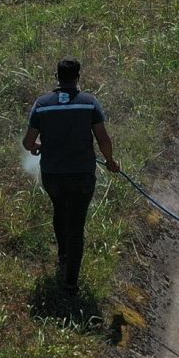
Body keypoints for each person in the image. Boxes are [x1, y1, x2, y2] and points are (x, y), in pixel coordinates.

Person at [25, 58, 118, 295]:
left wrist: (37, 146)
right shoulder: (89, 103)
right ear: (78, 77)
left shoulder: (42, 104)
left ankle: (63, 255)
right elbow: (103, 139)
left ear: (57, 76)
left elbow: (28, 142)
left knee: (59, 209)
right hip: (81, 175)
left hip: (52, 176)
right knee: (76, 225)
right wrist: (110, 162)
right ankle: (70, 283)